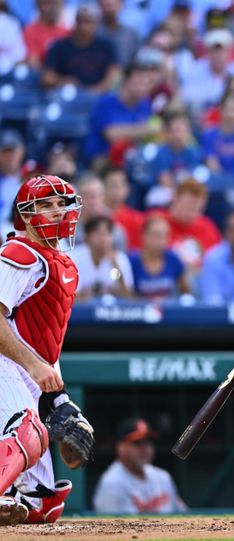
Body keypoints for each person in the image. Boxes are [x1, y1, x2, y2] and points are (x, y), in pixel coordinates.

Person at [0, 175, 94, 525]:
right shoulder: (17, 253)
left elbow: (44, 342)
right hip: (5, 363)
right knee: (28, 431)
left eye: (61, 204)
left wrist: (59, 399)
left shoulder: (61, 264)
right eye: (45, 205)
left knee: (42, 507)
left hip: (26, 370)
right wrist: (33, 367)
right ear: (25, 215)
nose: (57, 212)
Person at [93, 418, 187, 514]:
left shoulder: (163, 478)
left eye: (148, 441)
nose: (145, 447)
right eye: (138, 442)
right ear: (121, 447)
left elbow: (184, 516)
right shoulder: (113, 483)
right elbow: (115, 528)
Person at [71, 216, 134, 301]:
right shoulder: (74, 257)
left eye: (107, 234)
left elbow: (128, 296)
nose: (103, 239)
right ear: (87, 237)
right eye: (98, 234)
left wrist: (115, 265)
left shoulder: (120, 258)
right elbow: (71, 296)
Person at [128, 216, 188, 301]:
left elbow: (186, 292)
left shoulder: (174, 260)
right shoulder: (131, 261)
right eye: (156, 235)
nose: (161, 241)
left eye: (165, 236)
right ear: (143, 236)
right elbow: (126, 296)